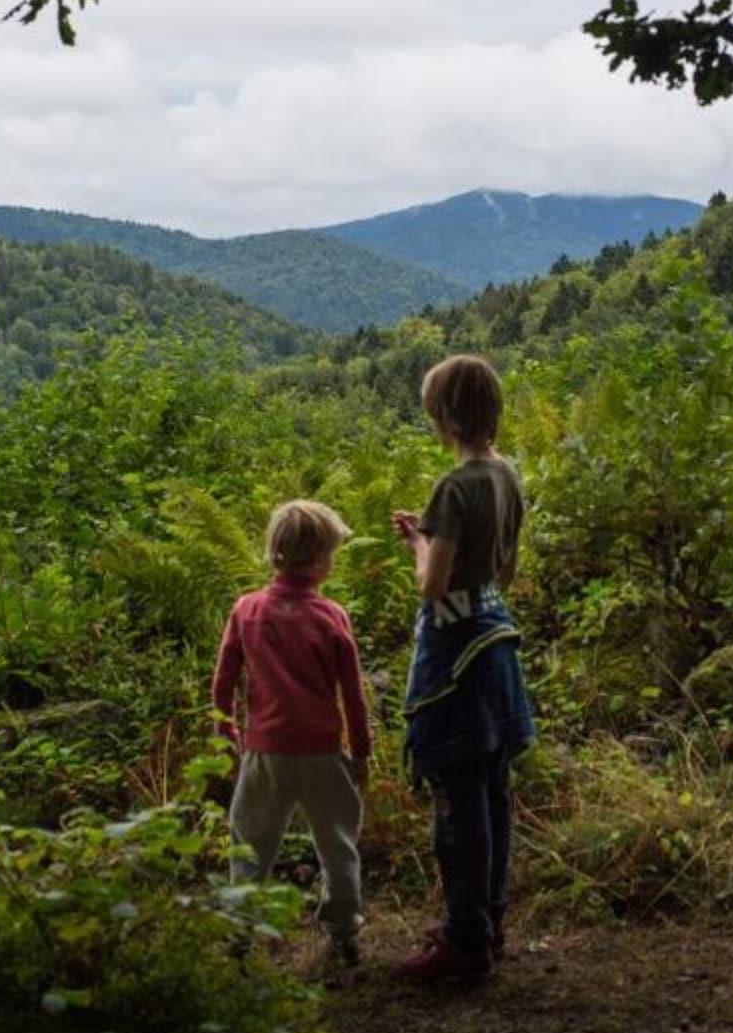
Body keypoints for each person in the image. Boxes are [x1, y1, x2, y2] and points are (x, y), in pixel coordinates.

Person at [392, 353, 537, 982]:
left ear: (445, 417)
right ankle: (486, 921)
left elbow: (433, 585)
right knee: (493, 790)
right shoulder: (507, 476)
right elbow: (504, 570)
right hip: (496, 640)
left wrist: (419, 543)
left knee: (457, 796)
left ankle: (464, 940)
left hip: (454, 653)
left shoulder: (453, 489)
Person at [212, 499, 373, 966]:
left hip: (264, 752)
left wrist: (227, 734)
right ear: (319, 559)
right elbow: (353, 696)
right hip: (323, 753)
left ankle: (239, 934)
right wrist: (361, 753)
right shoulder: (331, 616)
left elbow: (222, 682)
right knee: (338, 845)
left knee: (249, 846)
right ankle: (343, 933)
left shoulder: (247, 610)